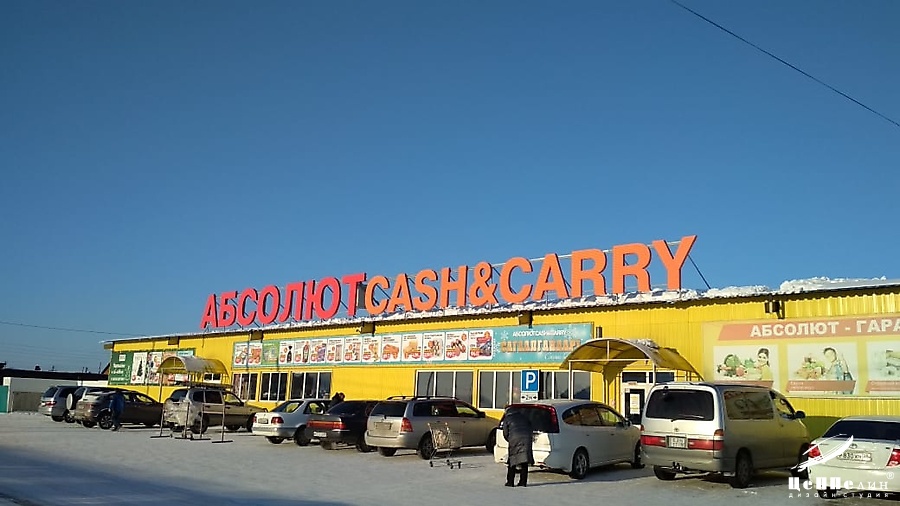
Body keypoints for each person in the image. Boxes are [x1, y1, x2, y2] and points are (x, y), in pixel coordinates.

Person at [501, 409, 534, 487]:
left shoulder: (507, 418)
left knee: (512, 460)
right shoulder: (524, 417)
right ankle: (523, 482)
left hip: (514, 439)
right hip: (526, 439)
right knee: (524, 461)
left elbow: (505, 432)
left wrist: (509, 439)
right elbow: (530, 428)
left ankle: (510, 482)